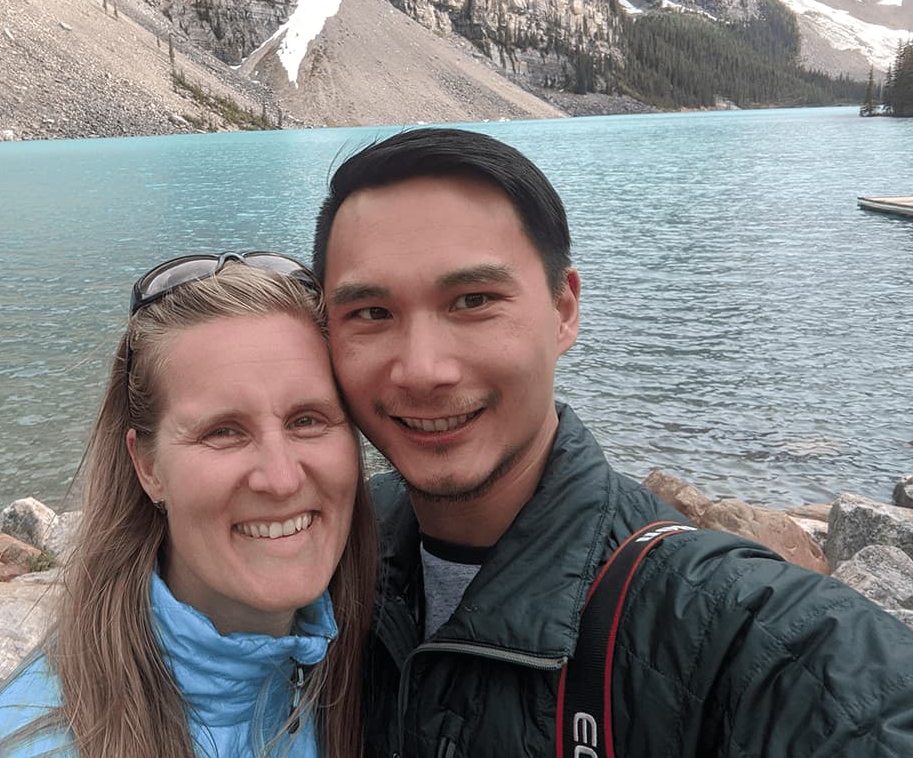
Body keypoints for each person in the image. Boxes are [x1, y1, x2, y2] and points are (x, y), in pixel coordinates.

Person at [311, 127, 913, 757]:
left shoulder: (725, 622)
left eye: (473, 300)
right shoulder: (324, 546)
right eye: (372, 313)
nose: (421, 370)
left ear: (564, 311)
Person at [0, 253, 377, 758]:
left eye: (307, 420)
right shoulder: (39, 743)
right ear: (147, 466)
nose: (281, 479)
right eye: (224, 432)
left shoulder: (374, 659)